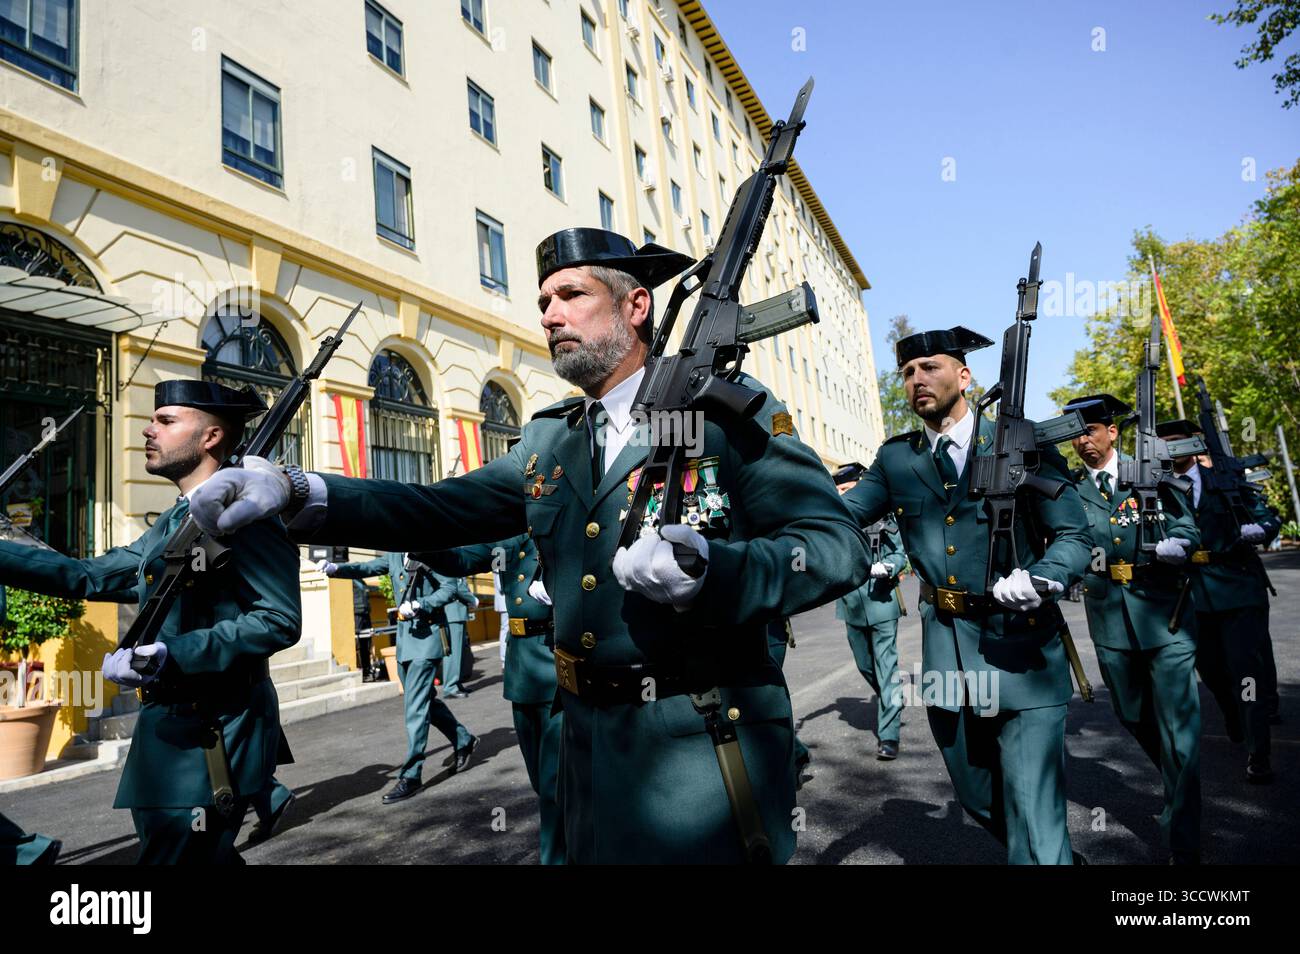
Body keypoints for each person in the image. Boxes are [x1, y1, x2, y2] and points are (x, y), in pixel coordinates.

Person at [189, 227, 868, 864]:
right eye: (543, 300)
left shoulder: (722, 409)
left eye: (570, 295)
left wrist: (715, 572)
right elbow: (440, 508)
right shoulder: (551, 437)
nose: (548, 314)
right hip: (586, 745)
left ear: (636, 306)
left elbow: (834, 545)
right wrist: (298, 490)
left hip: (702, 748)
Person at [0, 380, 301, 863]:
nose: (148, 429)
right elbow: (88, 576)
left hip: (214, 726)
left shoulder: (249, 511)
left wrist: (171, 654)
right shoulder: (172, 521)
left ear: (211, 437)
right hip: (166, 726)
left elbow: (278, 620)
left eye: (166, 420)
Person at [841, 326, 1092, 865]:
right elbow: (839, 516)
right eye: (907, 372)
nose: (917, 379)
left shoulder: (1021, 442)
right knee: (978, 797)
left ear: (964, 375)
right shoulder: (896, 459)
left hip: (1022, 651)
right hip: (946, 660)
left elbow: (1074, 534)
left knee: (1034, 807)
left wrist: (1046, 576)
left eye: (930, 367)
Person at [1064, 394, 1202, 863]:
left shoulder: (1150, 473)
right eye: (1077, 435)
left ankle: (1183, 839)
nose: (1083, 442)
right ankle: (1176, 781)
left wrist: (1179, 544)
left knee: (1180, 726)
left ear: (1112, 433)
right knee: (1131, 713)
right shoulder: (1067, 491)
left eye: (1091, 432)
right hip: (1109, 619)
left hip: (1166, 614)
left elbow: (1189, 527)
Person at [421, 535, 564, 863]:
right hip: (522, 666)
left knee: (555, 781)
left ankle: (557, 855)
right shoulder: (508, 540)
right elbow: (459, 559)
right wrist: (413, 534)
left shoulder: (558, 529)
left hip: (555, 659)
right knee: (540, 780)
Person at [1157, 418, 1280, 783]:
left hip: (1237, 587)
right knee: (1212, 672)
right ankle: (1233, 713)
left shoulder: (1225, 479)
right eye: (1165, 444)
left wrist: (1261, 529)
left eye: (1177, 442)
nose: (1171, 450)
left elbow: (1266, 516)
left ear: (1194, 445)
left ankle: (1259, 751)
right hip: (1191, 594)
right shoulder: (1160, 488)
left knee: (1247, 671)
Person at [318, 553, 478, 803]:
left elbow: (449, 587)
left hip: (428, 640)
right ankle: (463, 738)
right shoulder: (394, 555)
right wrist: (335, 568)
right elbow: (366, 567)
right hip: (405, 641)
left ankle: (412, 774)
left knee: (415, 708)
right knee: (424, 701)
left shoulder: (430, 550)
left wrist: (421, 604)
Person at [834, 517, 906, 760]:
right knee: (865, 665)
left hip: (882, 602)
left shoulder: (883, 520)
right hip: (852, 605)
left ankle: (889, 736)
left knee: (887, 669)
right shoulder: (838, 519)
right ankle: (892, 697)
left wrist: (887, 567)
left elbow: (899, 553)